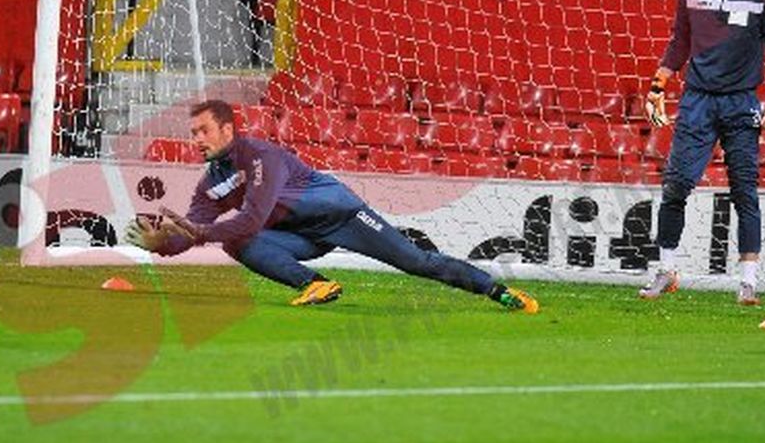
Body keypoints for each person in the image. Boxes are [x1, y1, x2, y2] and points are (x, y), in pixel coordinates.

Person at [125, 100, 541, 313]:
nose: (196, 140)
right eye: (192, 133)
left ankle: (498, 291)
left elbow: (249, 216)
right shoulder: (211, 185)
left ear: (229, 130)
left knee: (416, 261)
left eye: (204, 132)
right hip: (299, 236)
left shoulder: (260, 157)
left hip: (341, 216)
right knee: (240, 244)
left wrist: (195, 233)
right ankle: (315, 284)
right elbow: (197, 230)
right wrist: (162, 243)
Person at [639, 0, 765, 306]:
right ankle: (666, 270)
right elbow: (680, 42)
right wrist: (659, 82)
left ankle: (748, 282)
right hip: (697, 101)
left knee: (745, 191)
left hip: (741, 102)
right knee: (675, 186)